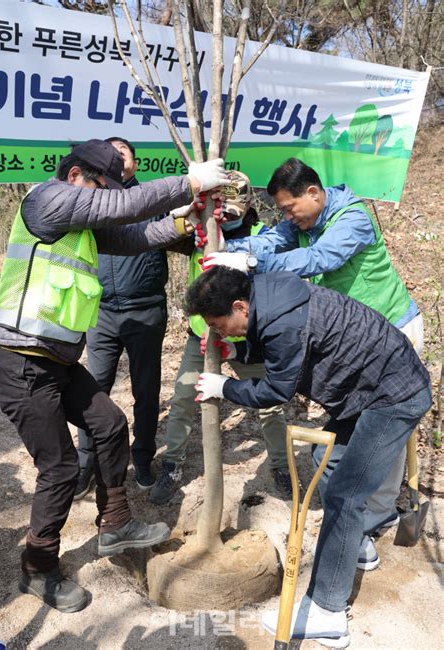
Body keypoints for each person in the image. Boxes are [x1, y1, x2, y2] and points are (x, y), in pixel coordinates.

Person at [0, 138, 228, 613]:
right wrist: (190, 180)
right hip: (21, 364)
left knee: (110, 424)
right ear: (76, 175)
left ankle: (115, 522)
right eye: (100, 185)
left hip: (54, 362)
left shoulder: (78, 224)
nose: (103, 197)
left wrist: (187, 218)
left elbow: (135, 235)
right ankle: (38, 568)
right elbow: (121, 204)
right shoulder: (46, 199)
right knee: (56, 470)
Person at [187, 266, 431, 648]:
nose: (219, 332)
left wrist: (226, 387)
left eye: (220, 325)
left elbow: (276, 389)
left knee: (344, 496)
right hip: (367, 391)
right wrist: (237, 349)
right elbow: (276, 342)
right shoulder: (268, 294)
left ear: (240, 305)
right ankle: (356, 546)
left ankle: (328, 612)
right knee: (326, 457)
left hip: (392, 397)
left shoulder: (282, 321)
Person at [202, 157, 424, 543]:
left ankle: (378, 515)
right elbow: (270, 241)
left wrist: (251, 261)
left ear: (313, 193)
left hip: (392, 332)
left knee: (382, 429)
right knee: (358, 424)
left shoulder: (351, 219)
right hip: (351, 342)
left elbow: (320, 258)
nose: (288, 217)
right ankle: (358, 504)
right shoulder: (302, 220)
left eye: (290, 208)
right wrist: (226, 246)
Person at [149, 171, 290, 505]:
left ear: (246, 204)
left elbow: (275, 274)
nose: (224, 214)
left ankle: (282, 467)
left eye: (230, 207)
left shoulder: (263, 236)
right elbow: (161, 235)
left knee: (269, 404)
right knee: (184, 397)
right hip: (202, 335)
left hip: (248, 339)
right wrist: (183, 215)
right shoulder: (200, 232)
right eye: (218, 205)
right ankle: (173, 465)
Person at [74, 136, 170, 498]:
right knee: (92, 391)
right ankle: (86, 461)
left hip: (145, 309)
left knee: (147, 391)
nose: (116, 157)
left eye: (123, 152)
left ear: (135, 164)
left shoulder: (152, 201)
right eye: (110, 153)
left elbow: (178, 237)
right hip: (100, 312)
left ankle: (142, 457)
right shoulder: (88, 201)